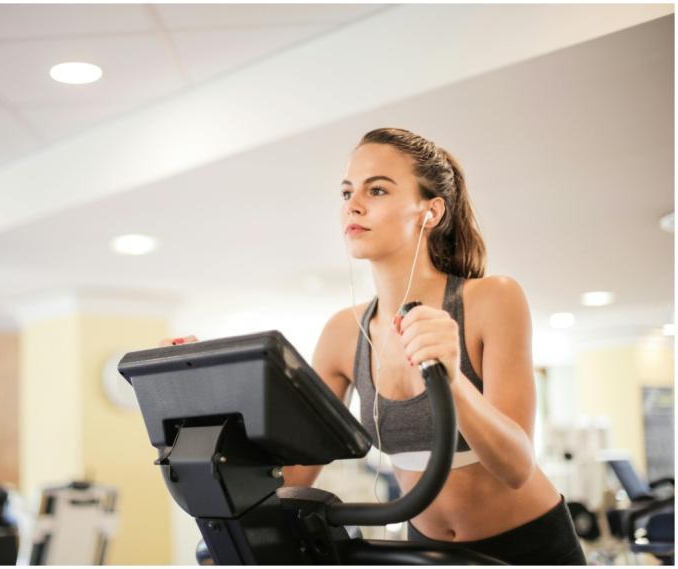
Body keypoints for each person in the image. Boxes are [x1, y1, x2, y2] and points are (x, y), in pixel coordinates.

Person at [162, 127, 586, 565]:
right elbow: (293, 476)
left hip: (530, 545)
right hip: (425, 549)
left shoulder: (491, 299)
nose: (354, 205)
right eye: (346, 193)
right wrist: (206, 399)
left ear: (430, 211)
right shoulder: (343, 333)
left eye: (377, 190)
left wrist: (451, 377)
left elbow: (517, 467)